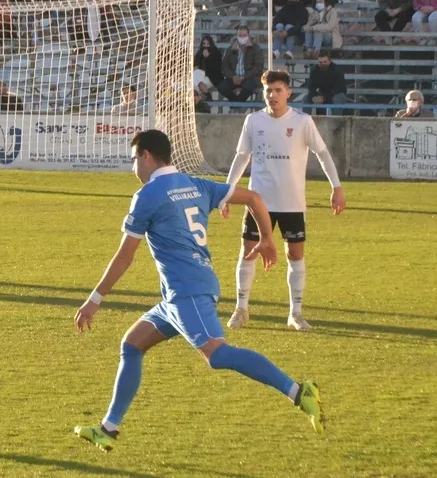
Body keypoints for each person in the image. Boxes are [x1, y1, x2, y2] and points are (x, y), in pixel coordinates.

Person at [72, 130, 325, 452]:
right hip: (180, 294)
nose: (133, 166)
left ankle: (299, 392)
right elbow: (254, 199)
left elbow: (125, 256)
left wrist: (94, 300)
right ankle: (108, 429)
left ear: (147, 156)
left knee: (217, 355)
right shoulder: (196, 184)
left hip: (187, 292)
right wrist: (266, 238)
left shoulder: (148, 195)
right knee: (132, 344)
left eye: (134, 159)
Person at [222, 70, 346, 331]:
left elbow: (323, 153)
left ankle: (295, 314)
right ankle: (241, 309)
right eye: (268, 90)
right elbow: (242, 157)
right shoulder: (253, 121)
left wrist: (337, 187)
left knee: (295, 254)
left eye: (278, 90)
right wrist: (227, 191)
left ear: (288, 93)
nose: (273, 95)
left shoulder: (302, 121)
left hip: (292, 202)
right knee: (248, 251)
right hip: (258, 202)